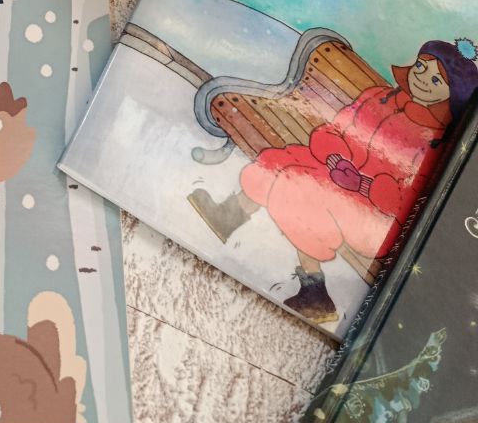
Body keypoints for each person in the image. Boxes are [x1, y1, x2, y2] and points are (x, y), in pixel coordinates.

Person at [189, 39, 478, 324]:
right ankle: (228, 216)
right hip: (335, 170)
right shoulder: (379, 97)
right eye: (421, 67)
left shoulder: (435, 143)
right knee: (277, 162)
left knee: (300, 190)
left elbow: (405, 200)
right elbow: (336, 128)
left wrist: (363, 185)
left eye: (436, 80)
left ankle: (315, 293)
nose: (423, 79)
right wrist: (335, 157)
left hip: (372, 215)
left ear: (451, 95)